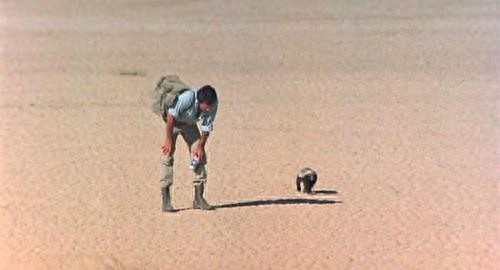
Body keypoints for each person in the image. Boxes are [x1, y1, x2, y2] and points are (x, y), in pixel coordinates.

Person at [160, 85, 218, 212]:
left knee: (200, 157)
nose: (209, 109)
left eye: (211, 106)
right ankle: (166, 201)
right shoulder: (187, 98)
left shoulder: (213, 104)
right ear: (200, 102)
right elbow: (170, 116)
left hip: (189, 125)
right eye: (206, 107)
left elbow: (207, 126)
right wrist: (169, 139)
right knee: (167, 157)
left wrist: (200, 147)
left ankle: (198, 198)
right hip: (173, 124)